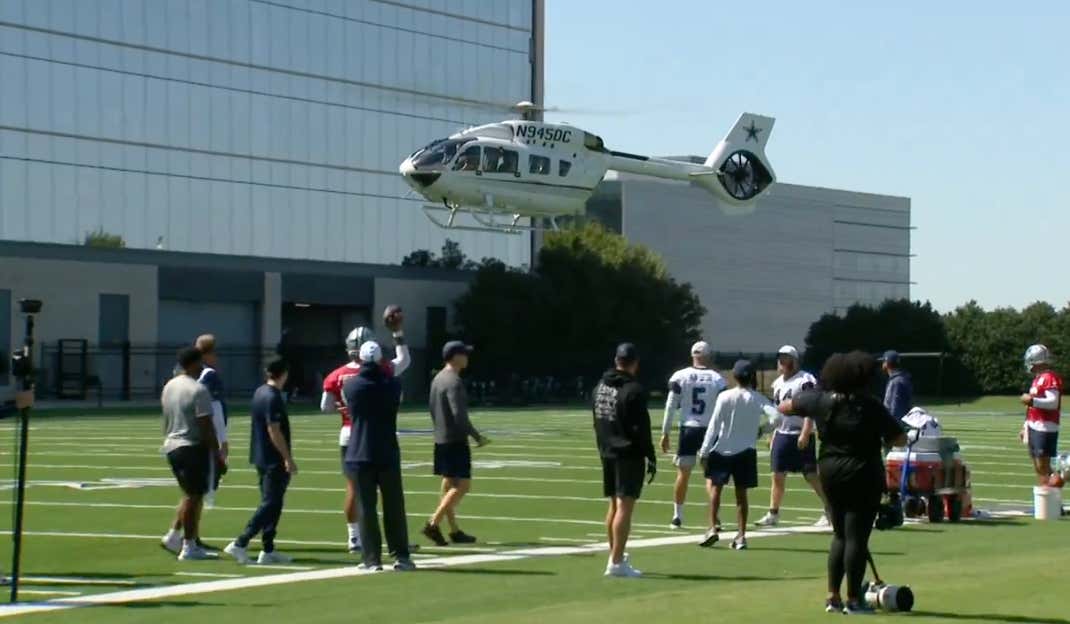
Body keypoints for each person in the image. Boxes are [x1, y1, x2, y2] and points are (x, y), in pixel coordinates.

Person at [780, 351, 907, 615]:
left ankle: (832, 597)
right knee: (857, 537)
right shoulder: (870, 405)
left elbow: (786, 406)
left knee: (839, 535)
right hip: (863, 471)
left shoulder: (821, 401)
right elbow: (900, 438)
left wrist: (811, 402)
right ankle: (853, 600)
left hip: (829, 470)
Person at [321, 308, 409, 553]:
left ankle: (355, 538)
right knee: (389, 496)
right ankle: (395, 545)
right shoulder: (385, 373)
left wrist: (347, 407)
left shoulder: (337, 375)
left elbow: (326, 407)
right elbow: (404, 361)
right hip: (380, 437)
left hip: (350, 435)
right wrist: (397, 332)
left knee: (356, 490)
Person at [342, 342, 415, 571]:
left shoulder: (351, 385)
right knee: (394, 505)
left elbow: (347, 404)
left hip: (360, 451)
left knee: (367, 508)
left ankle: (372, 558)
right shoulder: (393, 385)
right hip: (387, 451)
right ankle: (401, 555)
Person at [698, 360, 778, 550]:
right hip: (746, 451)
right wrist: (762, 430)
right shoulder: (757, 398)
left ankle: (713, 529)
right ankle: (741, 536)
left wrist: (704, 450)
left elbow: (714, 426)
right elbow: (777, 417)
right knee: (741, 496)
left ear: (734, 376)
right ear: (752, 377)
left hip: (722, 449)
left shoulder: (725, 396)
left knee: (715, 490)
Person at [224, 358, 297, 565]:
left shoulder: (260, 392)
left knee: (273, 503)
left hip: (261, 456)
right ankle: (241, 542)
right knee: (271, 503)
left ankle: (268, 548)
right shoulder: (272, 397)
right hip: (273, 458)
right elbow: (273, 429)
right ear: (284, 373)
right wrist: (287, 458)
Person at [593, 343, 656, 578]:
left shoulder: (600, 386)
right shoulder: (633, 390)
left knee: (613, 504)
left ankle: (615, 554)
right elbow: (641, 428)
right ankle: (617, 562)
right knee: (625, 506)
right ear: (635, 363)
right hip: (628, 453)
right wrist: (650, 455)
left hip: (607, 450)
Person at [159, 347, 225, 561]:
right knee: (194, 496)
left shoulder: (169, 386)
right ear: (195, 363)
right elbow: (205, 425)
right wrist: (217, 454)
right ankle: (188, 545)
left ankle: (177, 536)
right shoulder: (198, 390)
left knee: (191, 494)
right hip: (191, 445)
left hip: (172, 443)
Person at [756, 345, 830, 528]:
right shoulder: (778, 383)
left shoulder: (805, 380)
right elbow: (777, 412)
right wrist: (773, 433)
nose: (782, 362)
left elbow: (811, 407)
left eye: (786, 358)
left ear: (795, 360)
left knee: (811, 475)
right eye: (781, 358)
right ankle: (773, 513)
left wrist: (806, 431)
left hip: (799, 433)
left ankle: (830, 509)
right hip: (782, 433)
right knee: (777, 475)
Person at [423, 340, 488, 547]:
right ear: (455, 356)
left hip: (441, 439)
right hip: (455, 440)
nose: (467, 357)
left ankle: (454, 530)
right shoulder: (453, 381)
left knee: (449, 483)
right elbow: (459, 415)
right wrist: (477, 436)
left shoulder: (437, 379)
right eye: (464, 354)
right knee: (463, 485)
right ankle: (433, 523)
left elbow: (433, 409)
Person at [660, 341, 726, 529]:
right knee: (711, 476)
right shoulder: (717, 379)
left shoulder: (681, 376)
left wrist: (665, 432)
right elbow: (723, 408)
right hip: (709, 430)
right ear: (708, 356)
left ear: (692, 356)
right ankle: (715, 518)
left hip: (688, 429)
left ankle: (677, 516)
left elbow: (670, 406)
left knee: (683, 474)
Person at [1019, 344, 1062, 485]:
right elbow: (1031, 409)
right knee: (1039, 467)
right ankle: (1048, 499)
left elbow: (1053, 402)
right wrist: (1025, 425)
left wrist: (1032, 401)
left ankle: (1054, 492)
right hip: (1035, 425)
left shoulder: (1049, 377)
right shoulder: (1038, 379)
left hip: (1045, 426)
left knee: (1043, 466)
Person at [196, 334, 228, 509]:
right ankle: (188, 533)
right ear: (207, 354)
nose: (217, 357)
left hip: (191, 434)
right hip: (208, 437)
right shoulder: (210, 375)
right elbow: (214, 409)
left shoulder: (189, 372)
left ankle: (178, 532)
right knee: (203, 490)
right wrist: (222, 440)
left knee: (195, 490)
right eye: (215, 353)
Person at [881, 350, 913, 422]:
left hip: (895, 424)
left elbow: (895, 407)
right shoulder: (902, 378)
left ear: (887, 364)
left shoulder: (896, 382)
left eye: (883, 361)